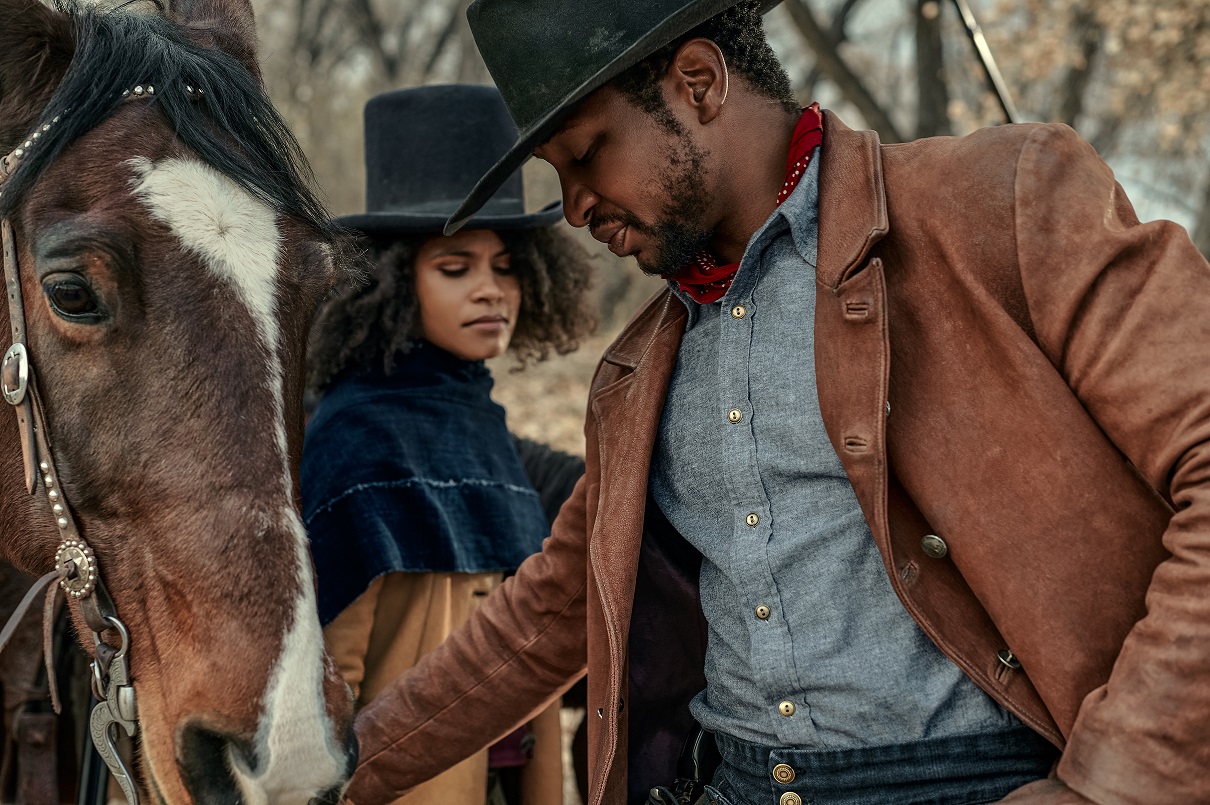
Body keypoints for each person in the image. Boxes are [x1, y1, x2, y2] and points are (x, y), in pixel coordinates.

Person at [342, 3, 1210, 804]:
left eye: (586, 153)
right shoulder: (636, 370)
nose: (572, 208)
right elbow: (554, 612)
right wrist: (331, 774)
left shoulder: (1005, 200)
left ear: (699, 82)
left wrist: (1115, 781)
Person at [300, 84, 594, 805]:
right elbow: (331, 670)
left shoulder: (477, 417)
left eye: (505, 265)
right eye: (456, 268)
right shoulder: (357, 430)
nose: (491, 290)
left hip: (506, 776)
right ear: (396, 282)